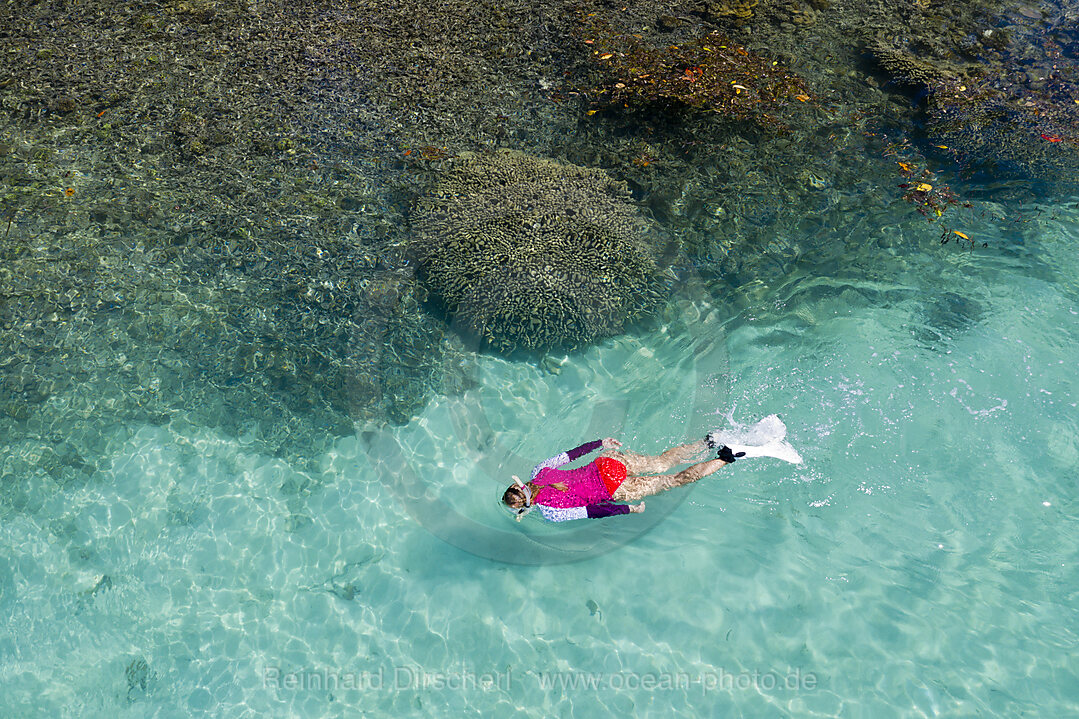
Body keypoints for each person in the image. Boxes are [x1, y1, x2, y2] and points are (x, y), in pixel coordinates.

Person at [501, 435, 751, 522]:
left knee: (673, 480)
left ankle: (726, 457)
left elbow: (593, 512)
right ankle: (708, 441)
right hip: (609, 461)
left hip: (615, 487)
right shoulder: (538, 471)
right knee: (660, 462)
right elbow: (571, 455)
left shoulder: (550, 512)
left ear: (525, 505)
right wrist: (600, 443)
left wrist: (628, 509)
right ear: (517, 484)